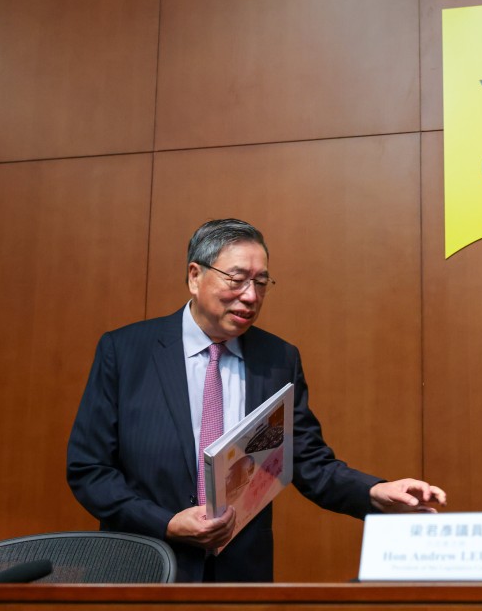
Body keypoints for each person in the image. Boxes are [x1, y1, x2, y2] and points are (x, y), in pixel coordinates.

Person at [67, 219, 445, 582]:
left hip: (241, 576)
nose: (251, 296)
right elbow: (90, 469)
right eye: (237, 279)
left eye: (261, 282)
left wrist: (373, 491)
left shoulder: (277, 359)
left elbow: (307, 460)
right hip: (146, 568)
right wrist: (165, 523)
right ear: (195, 276)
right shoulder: (126, 351)